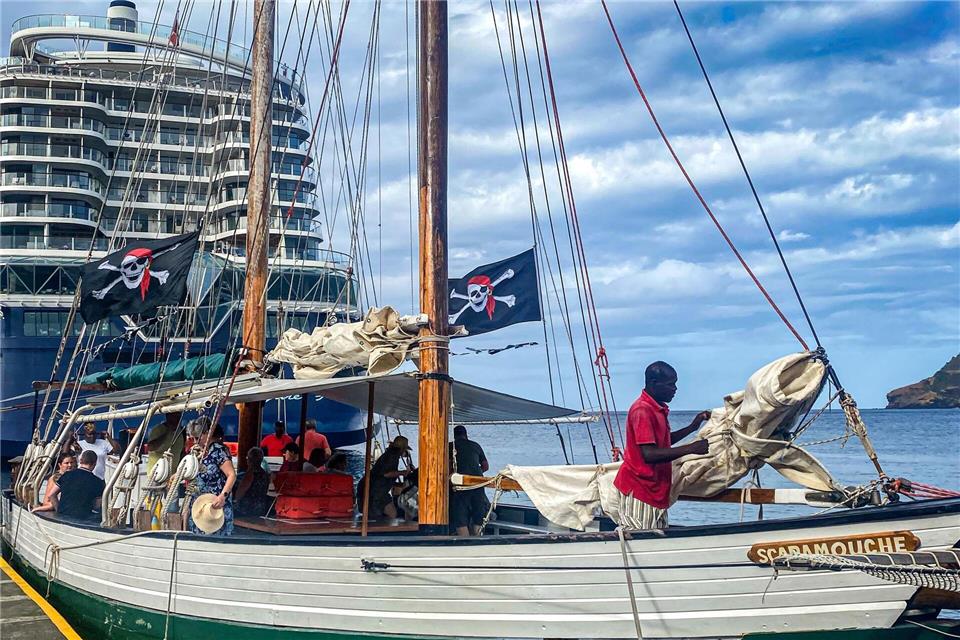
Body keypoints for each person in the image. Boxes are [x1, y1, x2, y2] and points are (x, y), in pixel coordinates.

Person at [613, 361, 710, 530]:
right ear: (654, 384)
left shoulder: (656, 409)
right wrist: (691, 448)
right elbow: (649, 454)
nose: (675, 389)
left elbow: (662, 443)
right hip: (640, 490)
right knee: (641, 540)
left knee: (656, 539)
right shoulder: (642, 410)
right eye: (670, 384)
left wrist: (692, 427)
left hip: (655, 491)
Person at [186, 423, 237, 536]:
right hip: (200, 507)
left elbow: (231, 475)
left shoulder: (219, 451)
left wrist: (223, 496)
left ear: (206, 434)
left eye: (197, 437)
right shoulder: (201, 452)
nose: (195, 441)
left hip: (215, 506)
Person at [449, 425, 490, 536]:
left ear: (454, 435)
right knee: (478, 514)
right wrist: (476, 473)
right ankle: (478, 541)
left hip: (461, 484)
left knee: (460, 516)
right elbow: (486, 466)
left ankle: (465, 542)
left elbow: (446, 466)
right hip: (478, 482)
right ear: (466, 435)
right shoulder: (475, 445)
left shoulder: (451, 446)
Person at [363, 436, 414, 521]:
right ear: (402, 449)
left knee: (388, 513)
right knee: (391, 514)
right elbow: (386, 474)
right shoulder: (392, 457)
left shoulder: (390, 454)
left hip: (378, 490)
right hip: (378, 491)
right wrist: (402, 473)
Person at [43, 450, 105, 520]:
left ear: (81, 461)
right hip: (83, 519)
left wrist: (59, 511)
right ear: (95, 463)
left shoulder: (67, 475)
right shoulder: (98, 482)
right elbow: (97, 506)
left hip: (63, 515)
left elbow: (51, 495)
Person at [234, 447, 271, 518]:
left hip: (246, 509)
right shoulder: (265, 474)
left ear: (249, 460)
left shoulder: (250, 474)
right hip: (260, 508)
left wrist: (235, 500)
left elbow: (240, 492)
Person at [146, 411, 186, 476]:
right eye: (174, 417)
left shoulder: (181, 431)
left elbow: (182, 452)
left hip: (173, 475)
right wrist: (167, 433)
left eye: (179, 416)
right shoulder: (158, 429)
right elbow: (151, 447)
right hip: (156, 474)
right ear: (168, 416)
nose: (177, 419)